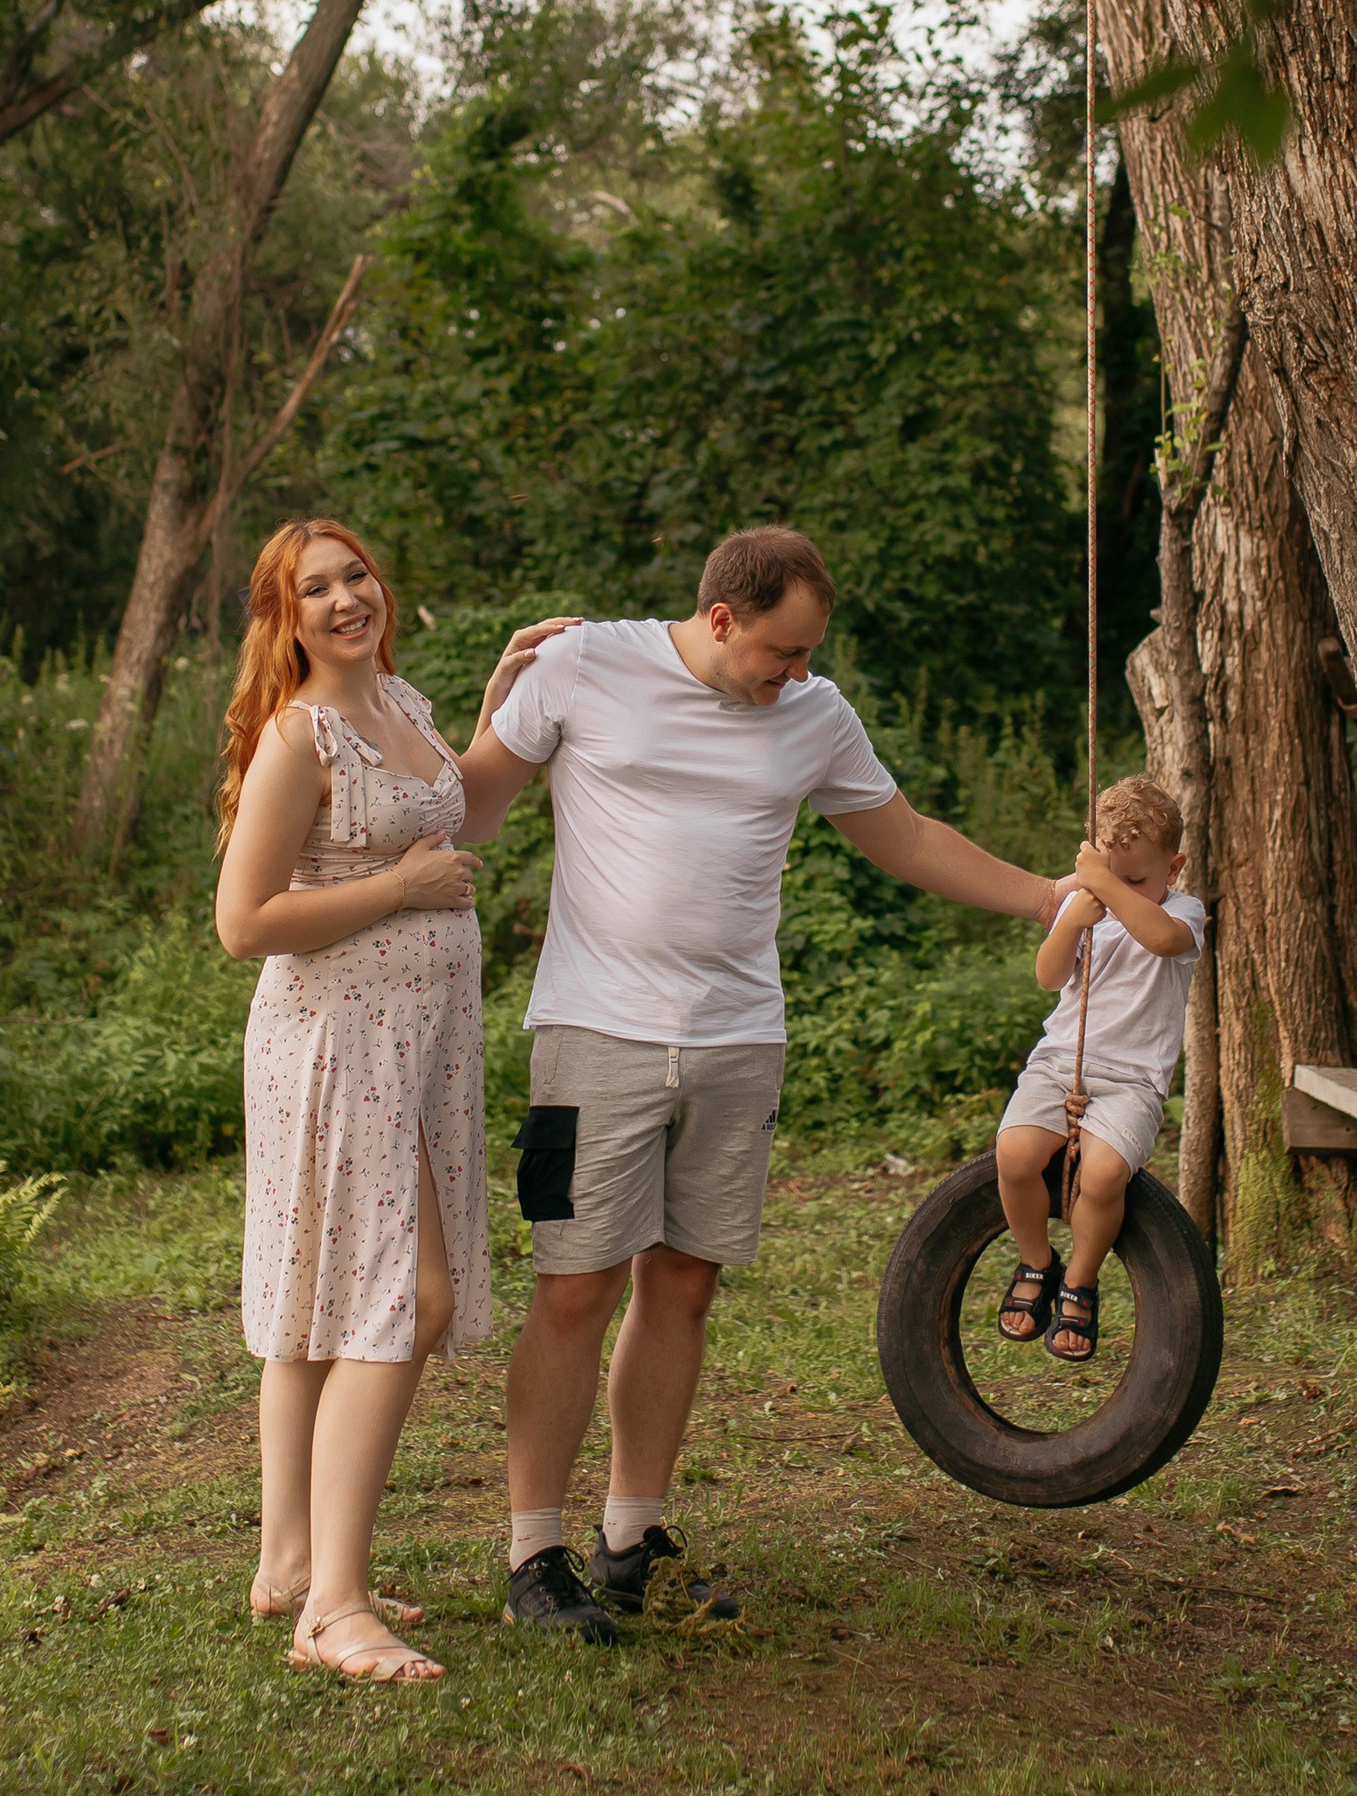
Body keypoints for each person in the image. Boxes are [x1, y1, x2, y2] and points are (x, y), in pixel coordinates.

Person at [452, 524, 1071, 1640]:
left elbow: (909, 836)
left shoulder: (813, 715)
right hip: (591, 1034)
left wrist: (1044, 896)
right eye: (780, 652)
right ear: (724, 617)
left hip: (740, 1040)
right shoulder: (581, 664)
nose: (795, 673)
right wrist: (495, 701)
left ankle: (630, 1536)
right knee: (574, 1285)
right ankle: (531, 1556)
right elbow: (471, 810)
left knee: (682, 1284)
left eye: (807, 655)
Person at [213, 517, 566, 1684]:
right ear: (284, 617)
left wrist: (498, 700)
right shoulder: (298, 735)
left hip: (413, 1049)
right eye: (313, 589)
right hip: (335, 1044)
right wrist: (397, 888)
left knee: (327, 1291)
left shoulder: (401, 707)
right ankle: (336, 1605)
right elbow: (244, 921)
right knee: (402, 1296)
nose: (344, 598)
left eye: (354, 573)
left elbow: (461, 820)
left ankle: (286, 1563)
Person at [991, 774, 1206, 1364]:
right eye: (1112, 876)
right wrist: (1072, 917)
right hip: (1062, 1062)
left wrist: (1108, 886)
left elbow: (1161, 939)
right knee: (1013, 1155)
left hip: (1132, 1080)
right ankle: (1037, 1260)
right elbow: (1049, 976)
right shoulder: (1088, 909)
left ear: (1175, 866)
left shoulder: (1183, 912)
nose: (1120, 892)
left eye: (1135, 879)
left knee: (1105, 1175)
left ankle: (1081, 1281)